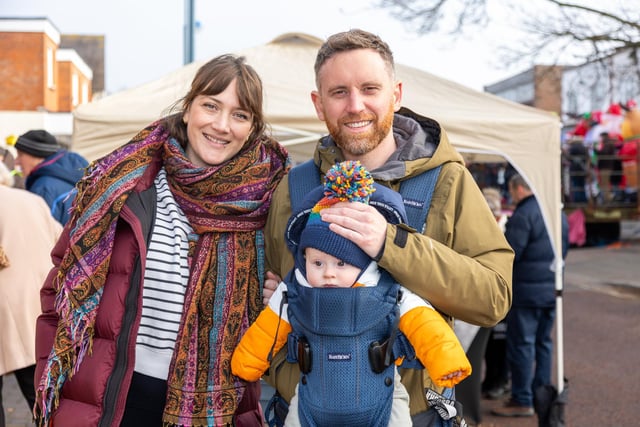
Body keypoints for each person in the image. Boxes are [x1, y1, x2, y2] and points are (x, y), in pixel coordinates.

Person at [262, 29, 514, 424]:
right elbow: (270, 293)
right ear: (318, 103)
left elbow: (493, 298)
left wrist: (391, 244)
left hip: (410, 414)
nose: (355, 105)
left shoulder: (446, 180)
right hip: (306, 412)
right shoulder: (295, 188)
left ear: (395, 94)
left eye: (370, 88)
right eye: (339, 92)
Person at [33, 54, 290, 427]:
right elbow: (59, 295)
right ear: (188, 110)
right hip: (105, 402)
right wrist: (51, 383)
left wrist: (278, 298)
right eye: (211, 105)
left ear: (253, 128)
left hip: (217, 409)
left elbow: (297, 299)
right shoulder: (124, 187)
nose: (221, 125)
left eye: (240, 114)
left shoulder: (269, 203)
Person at [232, 161, 471, 426]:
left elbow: (425, 325)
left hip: (383, 395)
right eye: (318, 263)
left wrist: (447, 362)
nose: (328, 273)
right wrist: (246, 365)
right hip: (312, 397)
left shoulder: (389, 290)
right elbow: (267, 330)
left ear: (364, 262)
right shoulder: (295, 291)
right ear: (303, 259)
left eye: (341, 263)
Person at [492, 174, 569, 418]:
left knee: (522, 344)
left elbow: (510, 252)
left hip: (526, 290)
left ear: (519, 189)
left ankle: (522, 398)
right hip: (551, 288)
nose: (512, 196)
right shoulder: (556, 213)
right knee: (543, 343)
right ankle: (541, 393)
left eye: (513, 191)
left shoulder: (524, 214)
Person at [0, 162, 62, 427]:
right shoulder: (32, 200)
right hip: (37, 305)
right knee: (39, 391)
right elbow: (60, 242)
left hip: (4, 310)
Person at [14, 129, 88, 224]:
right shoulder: (77, 177)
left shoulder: (43, 188)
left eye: (20, 155)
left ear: (36, 154)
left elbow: (40, 231)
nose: (16, 161)